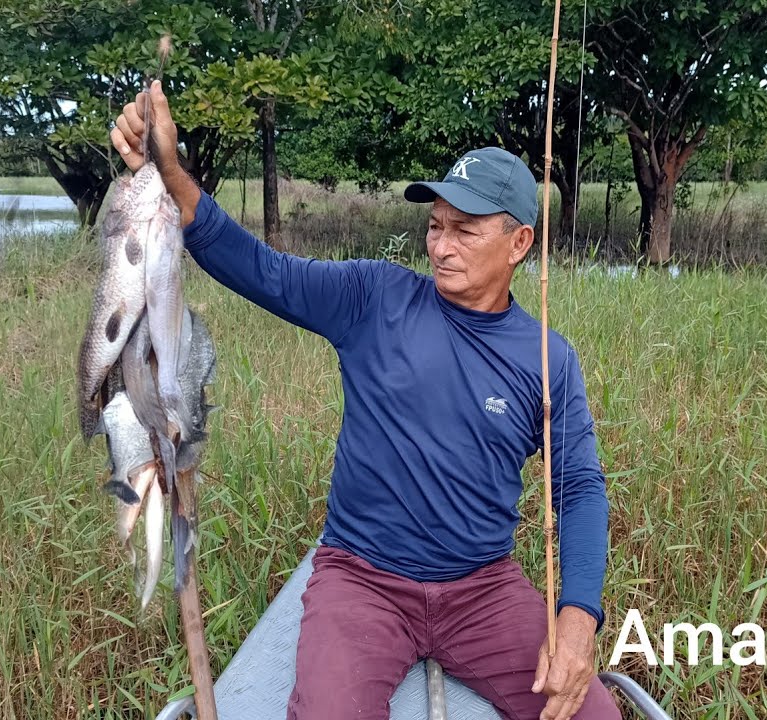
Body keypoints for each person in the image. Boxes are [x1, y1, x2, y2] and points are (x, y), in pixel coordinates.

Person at [111, 82, 618, 720]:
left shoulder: (547, 358)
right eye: (435, 226)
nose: (440, 246)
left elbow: (579, 487)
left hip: (483, 587)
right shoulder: (373, 298)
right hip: (363, 579)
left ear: (519, 244)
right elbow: (260, 269)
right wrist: (171, 176)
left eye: (464, 230)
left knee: (593, 715)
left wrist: (577, 622)